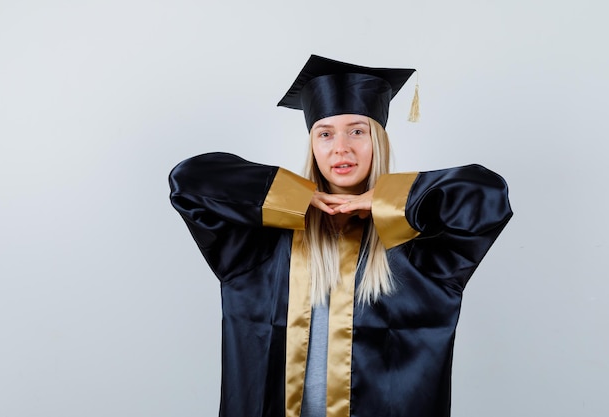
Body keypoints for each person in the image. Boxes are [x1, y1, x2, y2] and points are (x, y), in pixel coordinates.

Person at [169, 55, 513, 417]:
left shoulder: (417, 243)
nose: (341, 148)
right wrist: (297, 197)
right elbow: (188, 181)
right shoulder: (263, 242)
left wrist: (384, 201)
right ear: (312, 144)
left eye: (357, 131)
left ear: (378, 139)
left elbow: (488, 195)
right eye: (325, 133)